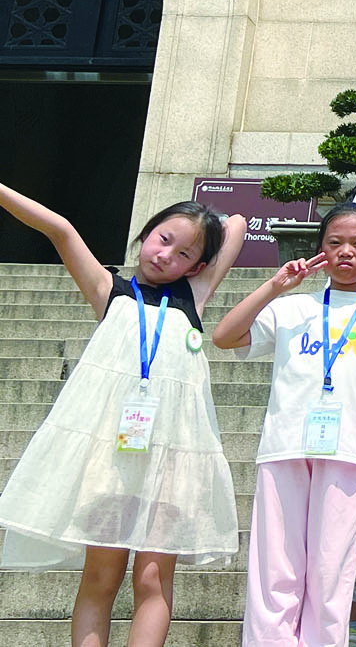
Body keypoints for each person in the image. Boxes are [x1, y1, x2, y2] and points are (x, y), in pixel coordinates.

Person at [0, 184, 246, 646]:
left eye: (184, 253)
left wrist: (201, 230)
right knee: (101, 575)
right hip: (112, 459)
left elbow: (236, 225)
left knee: (153, 577)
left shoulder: (194, 294)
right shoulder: (107, 289)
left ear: (198, 267)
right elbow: (60, 229)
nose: (166, 255)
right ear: (145, 234)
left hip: (171, 461)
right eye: (162, 239)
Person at [213, 202, 356, 647]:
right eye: (334, 242)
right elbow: (224, 337)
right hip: (284, 447)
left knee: (331, 567)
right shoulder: (291, 307)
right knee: (275, 564)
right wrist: (275, 285)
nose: (345, 252)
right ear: (319, 249)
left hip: (351, 452)